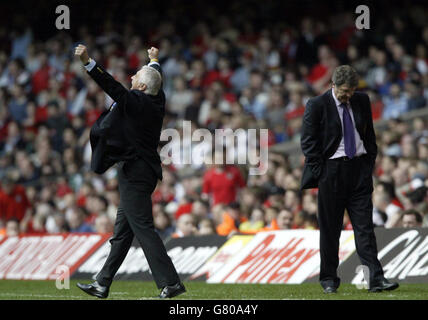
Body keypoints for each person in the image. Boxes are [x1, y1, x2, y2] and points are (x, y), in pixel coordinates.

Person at [74, 44, 185, 299]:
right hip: (142, 171)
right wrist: (154, 60)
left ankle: (170, 282)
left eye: (136, 76)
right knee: (122, 234)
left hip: (134, 172)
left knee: (143, 228)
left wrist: (88, 62)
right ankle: (102, 282)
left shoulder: (136, 102)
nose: (132, 77)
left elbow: (112, 87)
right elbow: (154, 76)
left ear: (142, 88)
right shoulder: (156, 99)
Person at [300, 65, 399, 294]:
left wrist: (368, 165)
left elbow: (369, 135)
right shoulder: (317, 105)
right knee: (330, 230)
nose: (348, 96)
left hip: (358, 172)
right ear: (332, 85)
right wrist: (322, 172)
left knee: (365, 228)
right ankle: (329, 280)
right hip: (331, 173)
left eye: (352, 91)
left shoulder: (362, 100)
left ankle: (376, 279)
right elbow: (308, 142)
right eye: (344, 91)